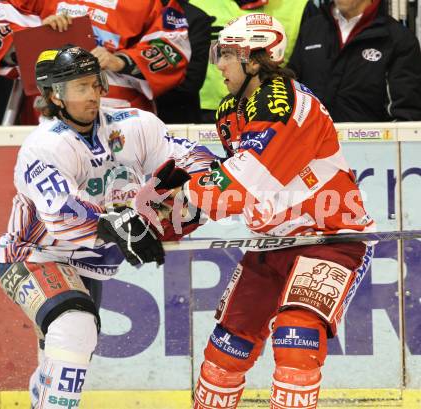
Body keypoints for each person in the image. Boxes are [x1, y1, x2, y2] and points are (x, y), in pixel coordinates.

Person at [138, 13, 376, 409]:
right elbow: (229, 183)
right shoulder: (233, 110)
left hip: (329, 239)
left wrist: (178, 202)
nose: (219, 64)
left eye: (227, 54)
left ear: (254, 59)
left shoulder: (283, 105)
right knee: (226, 348)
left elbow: (239, 187)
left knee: (295, 339)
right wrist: (160, 217)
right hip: (272, 243)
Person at [0, 45, 214, 408]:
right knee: (74, 327)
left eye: (95, 83)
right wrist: (118, 225)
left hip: (90, 263)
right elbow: (64, 214)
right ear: (54, 95)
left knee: (69, 345)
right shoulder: (43, 146)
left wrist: (185, 190)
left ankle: (40, 396)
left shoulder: (135, 125)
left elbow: (190, 156)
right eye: (80, 86)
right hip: (35, 255)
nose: (93, 94)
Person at [0, 0, 190, 124]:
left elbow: (173, 46)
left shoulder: (150, 3)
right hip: (46, 113)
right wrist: (37, 35)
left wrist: (121, 61)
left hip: (121, 117)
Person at [288, 0, 421, 122]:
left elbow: (405, 115)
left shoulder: (398, 40)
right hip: (312, 143)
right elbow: (291, 89)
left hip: (371, 146)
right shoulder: (311, 29)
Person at [189, 0, 319, 123]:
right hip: (208, 111)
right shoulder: (196, 4)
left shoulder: (299, 6)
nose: (220, 65)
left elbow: (312, 67)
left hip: (275, 108)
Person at [156, 0, 214, 124]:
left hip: (176, 119)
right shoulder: (130, 13)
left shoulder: (195, 18)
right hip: (127, 114)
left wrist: (143, 88)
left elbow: (191, 81)